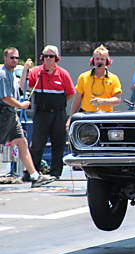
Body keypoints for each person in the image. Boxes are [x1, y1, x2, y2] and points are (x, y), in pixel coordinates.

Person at [0, 47, 55, 187]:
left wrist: (25, 69)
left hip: (11, 115)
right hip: (3, 113)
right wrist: (22, 105)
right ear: (5, 58)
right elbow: (6, 98)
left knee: (22, 142)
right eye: (11, 57)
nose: (14, 60)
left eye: (16, 58)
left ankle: (35, 176)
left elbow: (20, 87)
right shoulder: (3, 75)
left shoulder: (12, 74)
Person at [27, 45, 75, 179]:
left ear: (56, 58)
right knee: (37, 144)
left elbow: (71, 93)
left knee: (59, 144)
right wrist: (26, 69)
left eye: (51, 56)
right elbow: (26, 87)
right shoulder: (36, 72)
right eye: (45, 56)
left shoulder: (63, 73)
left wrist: (59, 103)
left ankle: (56, 173)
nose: (48, 59)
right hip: (41, 113)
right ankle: (34, 172)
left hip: (58, 113)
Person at [68, 44, 122, 118]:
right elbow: (77, 100)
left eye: (102, 59)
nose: (99, 61)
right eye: (97, 59)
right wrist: (70, 118)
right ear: (93, 61)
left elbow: (117, 100)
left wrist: (103, 101)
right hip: (86, 116)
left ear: (107, 61)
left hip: (106, 116)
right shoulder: (83, 77)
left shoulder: (114, 78)